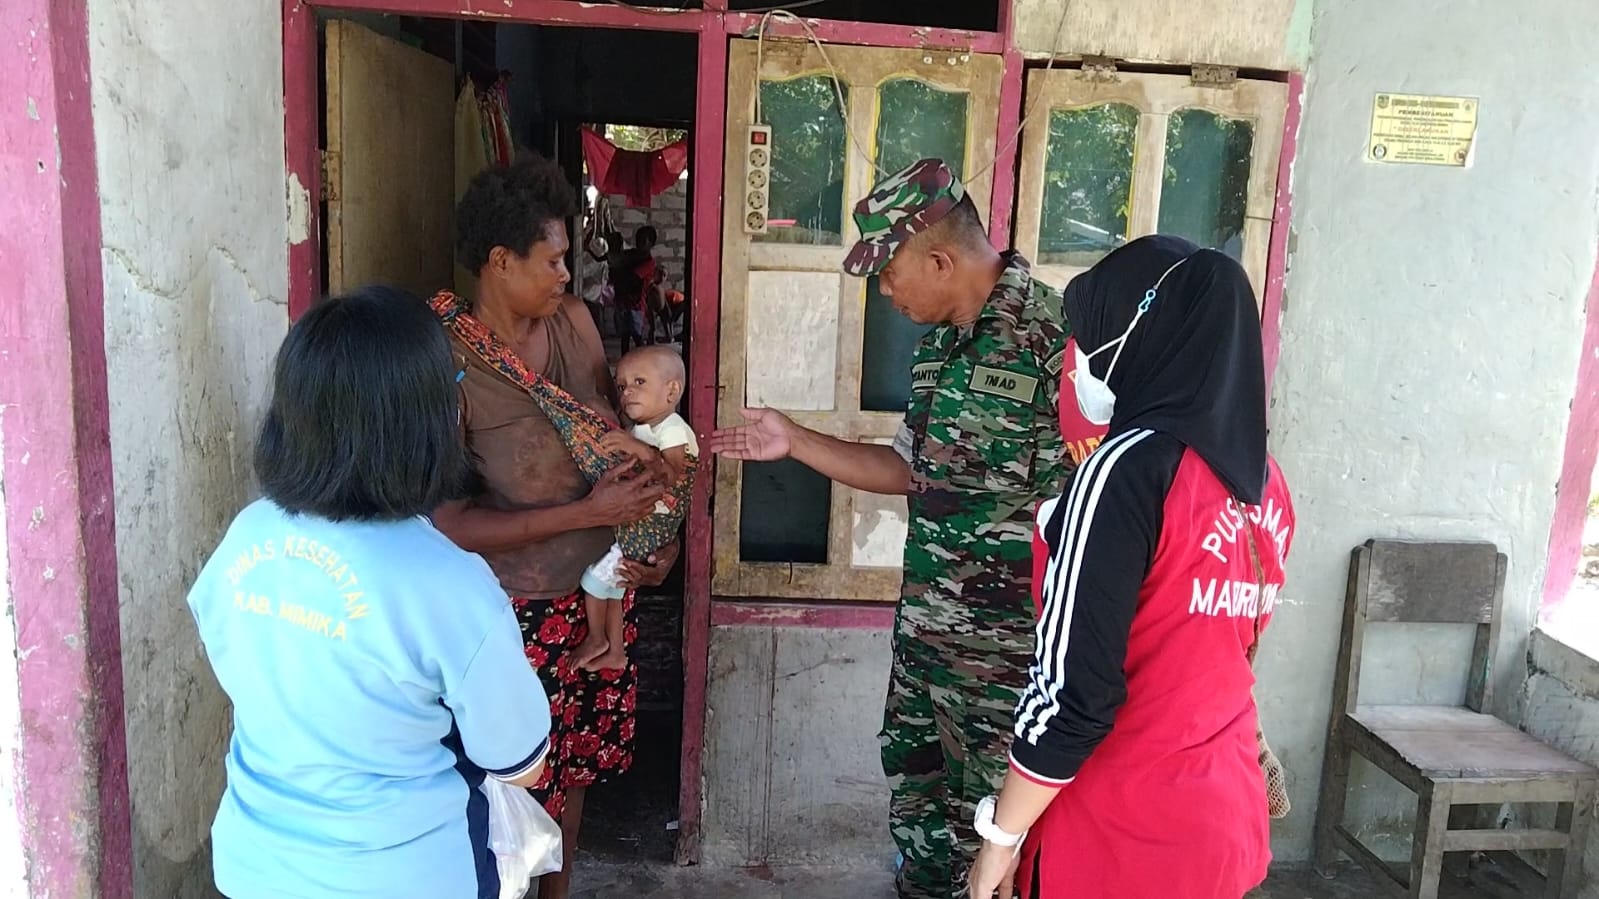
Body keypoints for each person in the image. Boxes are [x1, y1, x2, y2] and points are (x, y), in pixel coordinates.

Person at [710, 158, 1071, 899]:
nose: (883, 291)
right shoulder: (939, 346)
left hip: (1010, 668)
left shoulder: (1060, 343)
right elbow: (910, 469)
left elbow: (1108, 506)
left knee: (1005, 858)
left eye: (887, 271)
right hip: (925, 654)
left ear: (940, 259)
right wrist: (796, 441)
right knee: (919, 827)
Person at [186, 285, 552, 899]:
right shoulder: (451, 583)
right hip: (406, 876)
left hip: (256, 868)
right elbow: (521, 764)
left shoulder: (247, 537)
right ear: (425, 418)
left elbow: (228, 643)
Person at [967, 236, 1297, 899]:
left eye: (1090, 339)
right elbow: (1230, 645)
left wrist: (997, 845)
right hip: (1221, 824)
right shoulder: (1263, 482)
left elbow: (1070, 698)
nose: (1079, 361)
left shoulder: (1124, 471)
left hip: (1122, 835)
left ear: (1141, 337)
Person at [430, 154, 679, 899]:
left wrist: (654, 543)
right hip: (511, 615)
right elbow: (445, 524)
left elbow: (616, 442)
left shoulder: (572, 326)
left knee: (575, 769)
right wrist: (585, 515)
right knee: (506, 779)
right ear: (500, 262)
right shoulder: (448, 362)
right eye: (553, 259)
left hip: (600, 592)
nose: (566, 275)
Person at [575, 345, 699, 671]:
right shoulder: (641, 429)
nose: (628, 391)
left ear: (672, 391)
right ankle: (616, 650)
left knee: (592, 582)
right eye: (622, 385)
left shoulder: (671, 428)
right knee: (615, 590)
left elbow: (673, 475)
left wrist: (637, 449)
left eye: (639, 382)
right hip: (637, 523)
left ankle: (597, 638)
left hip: (649, 529)